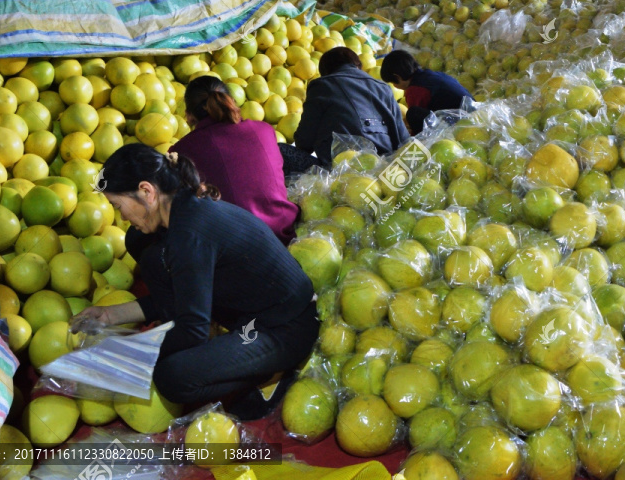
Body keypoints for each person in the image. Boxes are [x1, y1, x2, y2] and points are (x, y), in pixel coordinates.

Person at [70, 144, 318, 420]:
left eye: (118, 206)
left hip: (282, 327)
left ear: (146, 191)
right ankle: (236, 354)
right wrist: (109, 315)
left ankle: (267, 374)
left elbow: (192, 332)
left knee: (172, 377)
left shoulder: (189, 235)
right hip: (248, 310)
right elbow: (185, 292)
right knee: (140, 243)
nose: (122, 217)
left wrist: (127, 356)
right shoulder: (183, 207)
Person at [172, 75, 298, 244]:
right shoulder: (265, 129)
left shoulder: (181, 152)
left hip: (241, 247)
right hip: (287, 232)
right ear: (231, 101)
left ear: (188, 116)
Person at [290, 47, 409, 170]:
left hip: (342, 173)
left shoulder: (322, 85)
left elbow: (304, 142)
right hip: (383, 171)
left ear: (326, 72)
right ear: (358, 65)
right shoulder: (385, 89)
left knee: (281, 150)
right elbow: (403, 141)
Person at [380, 49, 473, 134]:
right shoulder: (430, 75)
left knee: (413, 114)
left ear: (398, 77)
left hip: (462, 124)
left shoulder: (415, 91)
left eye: (393, 82)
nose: (394, 86)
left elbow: (417, 120)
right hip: (474, 111)